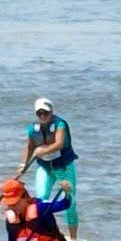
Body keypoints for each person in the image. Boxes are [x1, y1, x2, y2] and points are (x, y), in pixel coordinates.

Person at [20, 97, 78, 233]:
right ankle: (47, 233)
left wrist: (43, 151)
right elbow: (30, 147)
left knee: (70, 203)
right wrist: (23, 165)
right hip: (45, 167)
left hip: (64, 167)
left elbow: (59, 144)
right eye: (39, 113)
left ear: (51, 112)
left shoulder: (60, 125)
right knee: (41, 201)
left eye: (45, 112)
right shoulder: (33, 129)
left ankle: (74, 237)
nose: (43, 116)